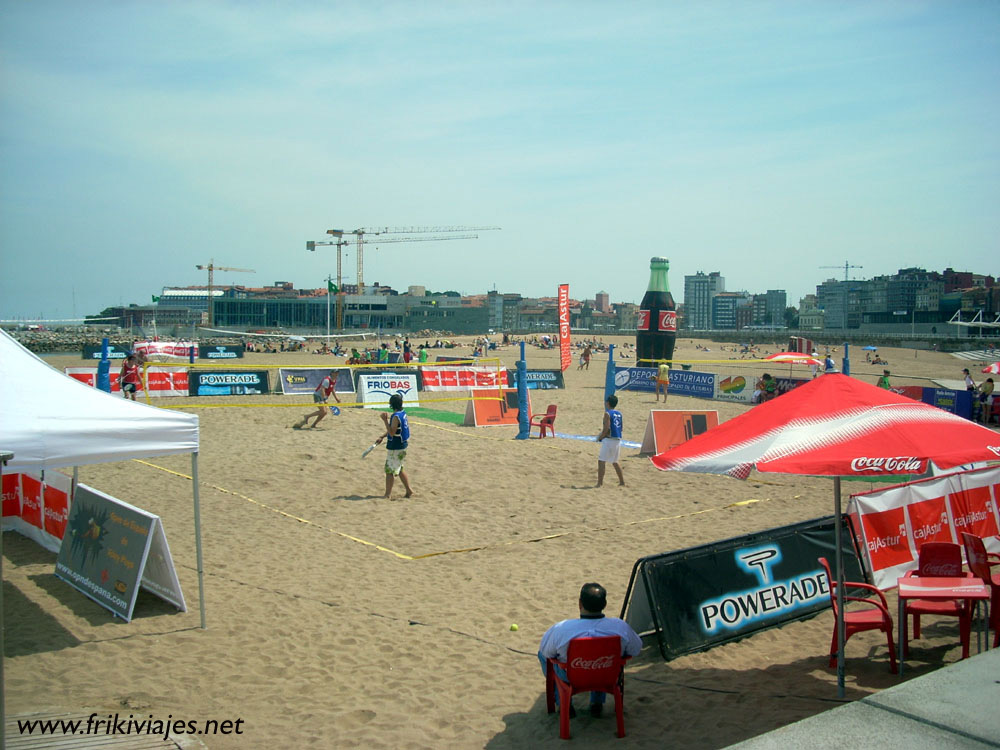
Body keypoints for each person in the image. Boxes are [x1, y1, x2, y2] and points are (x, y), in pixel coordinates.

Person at [538, 582, 642, 718]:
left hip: (571, 676)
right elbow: (636, 649)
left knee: (543, 655)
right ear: (604, 604)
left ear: (580, 604)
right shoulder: (620, 627)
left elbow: (547, 653)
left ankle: (564, 703)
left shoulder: (562, 629)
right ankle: (597, 703)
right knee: (603, 660)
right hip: (607, 675)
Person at [374, 393, 413, 498]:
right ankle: (409, 490)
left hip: (396, 446)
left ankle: (387, 494)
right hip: (402, 445)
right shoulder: (403, 413)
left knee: (389, 470)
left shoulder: (396, 417)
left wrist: (384, 421)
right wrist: (382, 436)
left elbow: (392, 432)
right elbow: (395, 430)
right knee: (399, 469)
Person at [596, 395, 625, 487]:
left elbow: (606, 428)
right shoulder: (619, 414)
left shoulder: (607, 414)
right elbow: (621, 428)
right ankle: (622, 482)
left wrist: (600, 437)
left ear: (608, 403)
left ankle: (600, 483)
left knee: (601, 461)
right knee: (615, 461)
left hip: (609, 440)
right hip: (618, 439)